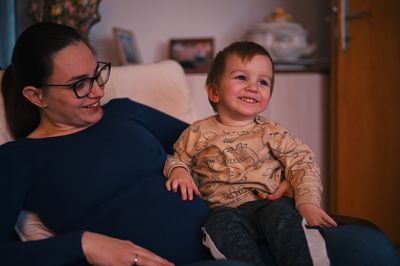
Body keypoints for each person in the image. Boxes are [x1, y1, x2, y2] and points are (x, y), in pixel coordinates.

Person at [0, 22, 255, 266]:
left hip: (229, 239)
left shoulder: (123, 111)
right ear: (37, 96)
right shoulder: (18, 159)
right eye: (80, 84)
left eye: (97, 74)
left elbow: (211, 144)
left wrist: (287, 172)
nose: (98, 91)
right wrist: (83, 245)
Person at [164, 41, 400, 266]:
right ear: (214, 92)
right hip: (225, 212)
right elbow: (176, 157)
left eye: (263, 82)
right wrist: (179, 171)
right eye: (241, 77)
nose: (253, 87)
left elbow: (303, 163)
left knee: (284, 219)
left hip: (269, 203)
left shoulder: (272, 131)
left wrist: (307, 202)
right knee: (216, 226)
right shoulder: (197, 132)